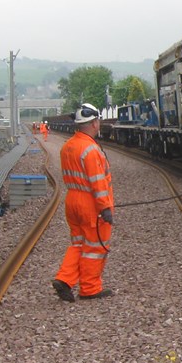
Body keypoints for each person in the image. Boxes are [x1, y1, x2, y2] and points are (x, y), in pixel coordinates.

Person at [52, 103, 115, 301]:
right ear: (95, 123)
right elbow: (97, 182)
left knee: (79, 243)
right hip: (90, 204)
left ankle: (64, 279)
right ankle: (89, 288)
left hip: (72, 199)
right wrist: (104, 207)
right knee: (95, 247)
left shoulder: (68, 146)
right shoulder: (91, 150)